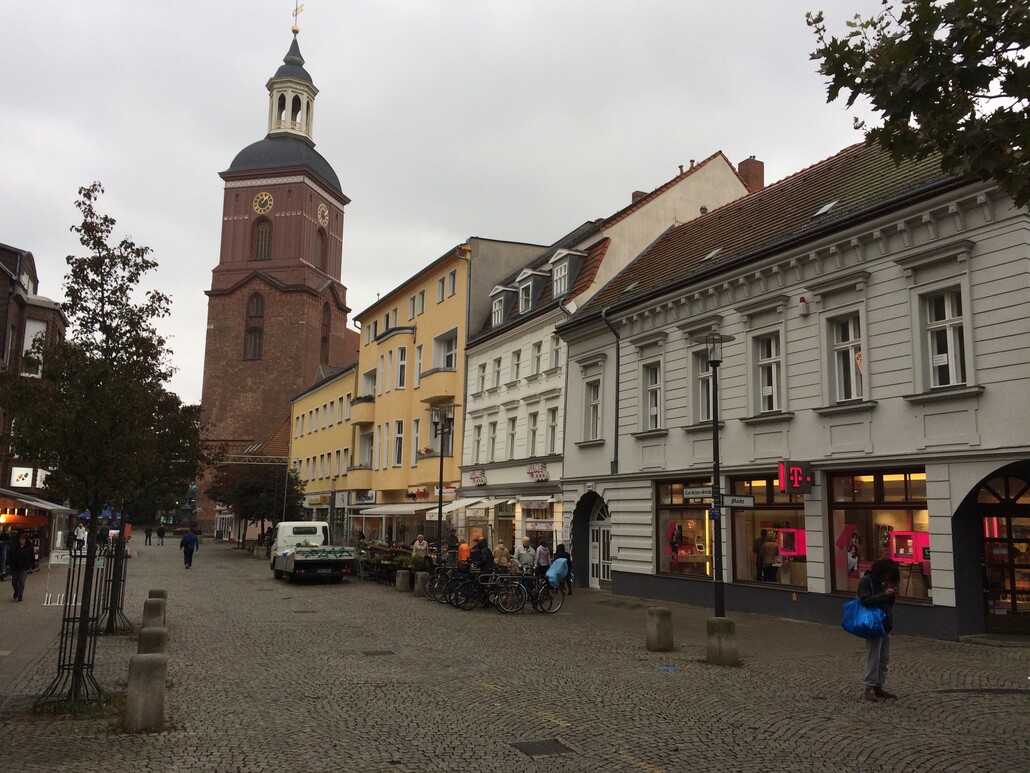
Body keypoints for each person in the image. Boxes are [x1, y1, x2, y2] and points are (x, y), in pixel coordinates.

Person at [859, 558, 900, 702]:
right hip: (873, 624)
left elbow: (888, 604)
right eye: (887, 574)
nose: (888, 577)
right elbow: (865, 600)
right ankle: (869, 688)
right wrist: (884, 594)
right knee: (874, 656)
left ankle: (879, 686)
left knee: (884, 658)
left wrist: (891, 595)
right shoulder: (867, 580)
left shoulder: (884, 583)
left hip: (885, 623)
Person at [8, 533, 36, 602]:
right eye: (20, 539)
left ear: (25, 540)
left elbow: (32, 557)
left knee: (21, 581)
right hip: (15, 567)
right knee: (14, 582)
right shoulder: (14, 547)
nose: (21, 541)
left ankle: (20, 595)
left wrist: (33, 565)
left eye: (23, 539)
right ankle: (16, 591)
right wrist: (8, 564)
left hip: (24, 567)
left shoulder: (29, 548)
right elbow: (9, 556)